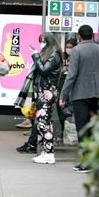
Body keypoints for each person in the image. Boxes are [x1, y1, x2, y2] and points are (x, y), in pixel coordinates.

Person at [59, 25, 99, 173]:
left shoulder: (77, 50)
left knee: (82, 129)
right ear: (92, 35)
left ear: (79, 36)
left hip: (80, 95)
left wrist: (63, 95)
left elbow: (72, 75)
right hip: (98, 94)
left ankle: (86, 162)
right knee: (94, 129)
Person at [27, 32, 63, 165]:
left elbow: (43, 70)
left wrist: (35, 55)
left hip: (47, 92)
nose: (41, 44)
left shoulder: (54, 55)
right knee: (44, 122)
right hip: (43, 91)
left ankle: (49, 153)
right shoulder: (51, 54)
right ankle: (45, 152)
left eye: (43, 41)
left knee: (43, 123)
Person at [57, 38, 78, 141]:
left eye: (71, 47)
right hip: (61, 85)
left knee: (71, 109)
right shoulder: (63, 57)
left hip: (72, 86)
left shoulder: (77, 56)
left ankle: (71, 133)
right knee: (61, 109)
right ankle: (62, 130)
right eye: (67, 47)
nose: (68, 49)